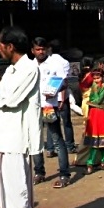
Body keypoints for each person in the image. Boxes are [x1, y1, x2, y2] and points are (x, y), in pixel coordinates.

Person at [0, 26, 44, 208]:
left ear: (10, 47)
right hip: (4, 138)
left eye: (1, 45)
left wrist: (0, 99)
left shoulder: (29, 68)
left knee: (18, 192)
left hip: (17, 139)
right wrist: (0, 99)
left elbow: (9, 99)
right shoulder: (12, 70)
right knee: (5, 193)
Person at [30, 37, 72, 189]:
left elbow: (64, 82)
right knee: (35, 140)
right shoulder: (29, 66)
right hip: (33, 107)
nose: (41, 52)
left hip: (49, 106)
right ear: (33, 50)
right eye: (38, 49)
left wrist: (55, 90)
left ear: (47, 49)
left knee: (56, 139)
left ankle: (64, 174)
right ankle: (39, 172)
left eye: (43, 49)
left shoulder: (55, 64)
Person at [83, 71, 104, 174]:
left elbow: (98, 100)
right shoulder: (93, 86)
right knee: (96, 140)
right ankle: (103, 162)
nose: (96, 80)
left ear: (102, 77)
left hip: (101, 113)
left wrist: (89, 101)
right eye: (94, 78)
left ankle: (90, 164)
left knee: (99, 140)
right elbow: (83, 85)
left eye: (98, 78)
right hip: (94, 113)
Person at [48, 40, 76, 153]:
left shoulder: (47, 62)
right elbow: (65, 81)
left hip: (49, 97)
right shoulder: (64, 62)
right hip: (62, 96)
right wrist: (63, 99)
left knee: (51, 122)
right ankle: (69, 146)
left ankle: (51, 148)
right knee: (66, 122)